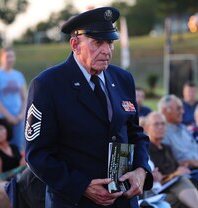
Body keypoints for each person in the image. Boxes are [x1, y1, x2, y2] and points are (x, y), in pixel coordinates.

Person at [25, 7, 153, 208]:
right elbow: (38, 154)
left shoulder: (122, 78)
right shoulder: (48, 85)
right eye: (98, 43)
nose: (107, 51)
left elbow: (135, 132)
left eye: (110, 43)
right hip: (75, 200)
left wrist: (141, 170)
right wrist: (81, 186)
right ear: (75, 44)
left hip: (122, 199)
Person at [144, 112, 198, 208]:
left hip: (173, 188)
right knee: (183, 181)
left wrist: (182, 167)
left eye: (163, 124)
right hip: (156, 191)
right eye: (156, 124)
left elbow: (175, 168)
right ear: (147, 128)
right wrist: (176, 174)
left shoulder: (167, 147)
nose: (160, 127)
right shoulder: (145, 149)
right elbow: (157, 178)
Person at [0, 48, 27, 151]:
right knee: (0, 149)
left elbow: (24, 97)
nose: (10, 59)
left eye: (12, 56)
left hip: (17, 119)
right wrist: (9, 117)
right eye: (7, 56)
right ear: (1, 58)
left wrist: (21, 115)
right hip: (0, 118)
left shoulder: (18, 75)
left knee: (17, 148)